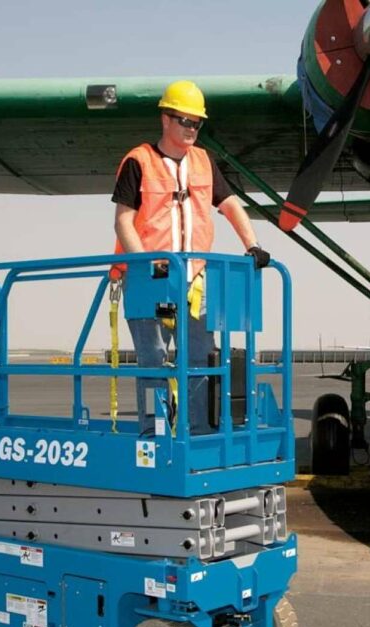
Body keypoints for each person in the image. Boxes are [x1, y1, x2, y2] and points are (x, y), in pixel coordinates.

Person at [111, 79, 270, 435]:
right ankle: (154, 432)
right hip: (146, 278)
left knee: (200, 356)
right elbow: (124, 221)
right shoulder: (139, 161)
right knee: (154, 360)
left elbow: (229, 204)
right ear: (165, 119)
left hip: (192, 278)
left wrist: (252, 245)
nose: (192, 129)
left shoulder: (203, 162)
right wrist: (146, 264)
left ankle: (196, 431)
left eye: (197, 123)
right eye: (185, 120)